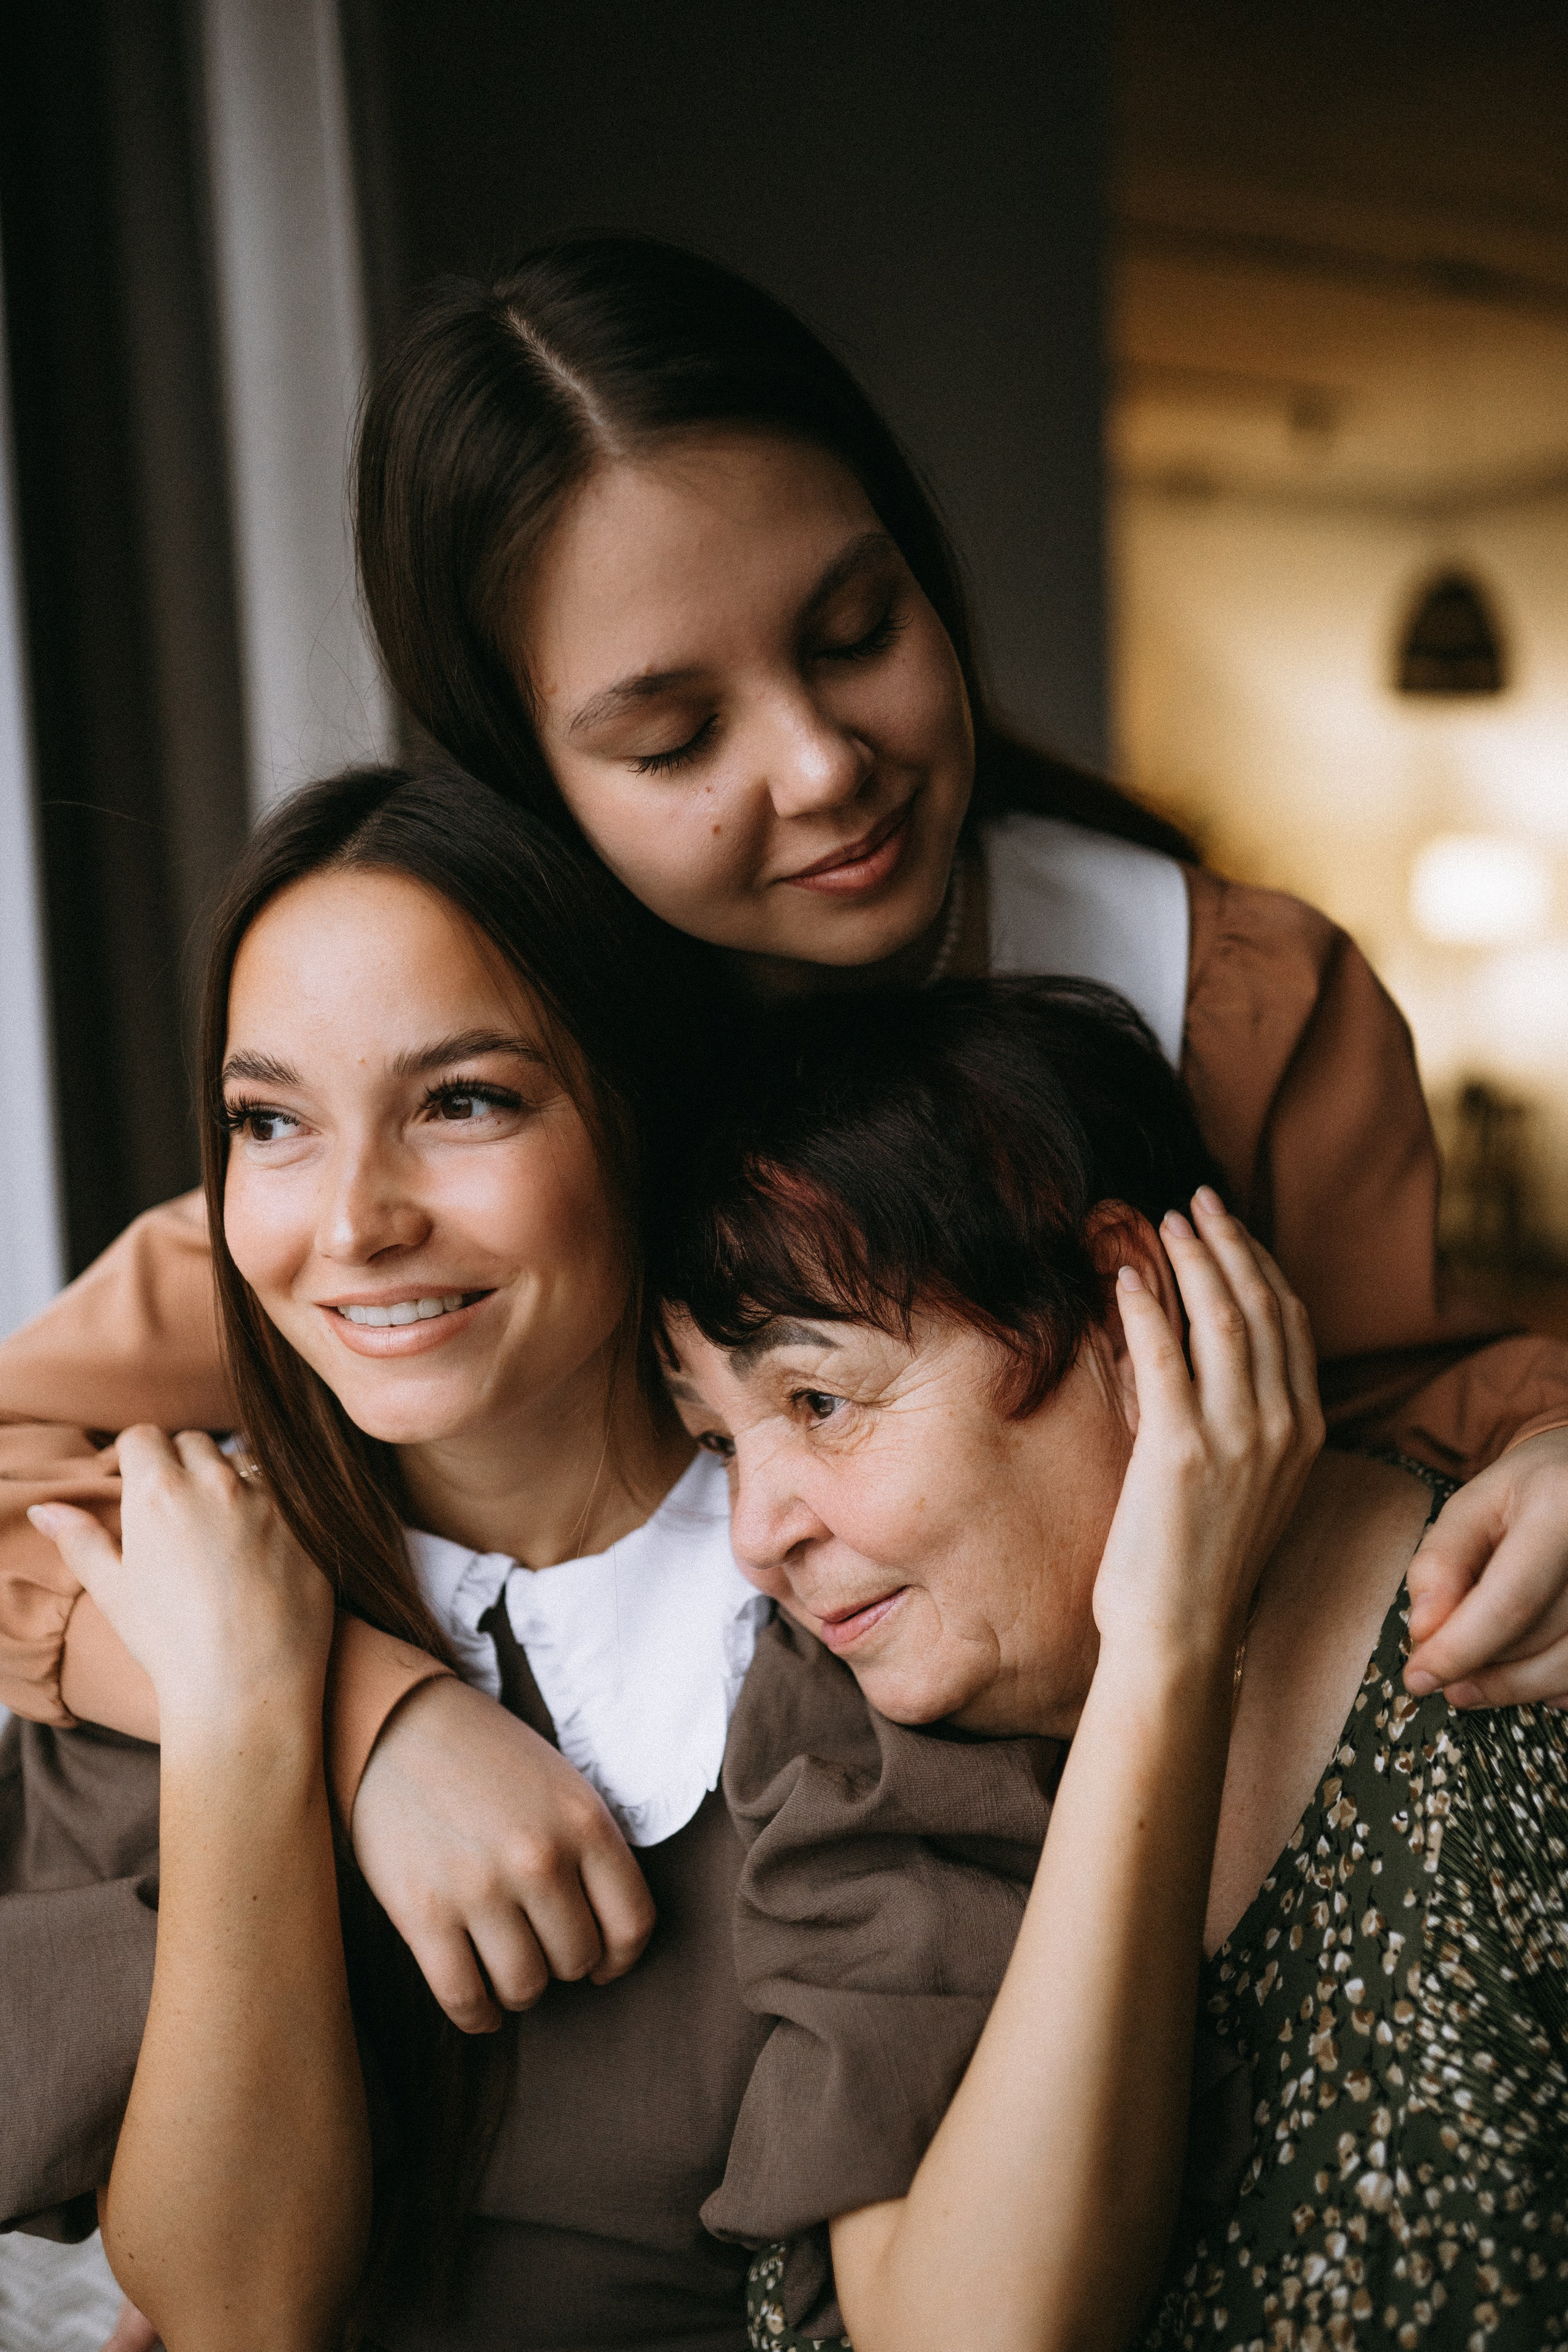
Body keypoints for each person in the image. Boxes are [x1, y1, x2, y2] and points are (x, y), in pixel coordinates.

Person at [4, 234, 1568, 2045]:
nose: (825, 765)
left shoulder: (1235, 999)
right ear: (529, 787)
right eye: (672, 737)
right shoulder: (498, 1128)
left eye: (857, 632)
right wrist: (369, 1729)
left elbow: (1412, 1393)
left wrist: (1541, 1449)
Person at [21, 769, 1320, 2350]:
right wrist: (264, 1719)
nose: (351, 1222)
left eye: (464, 1100)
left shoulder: (845, 1613)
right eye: (269, 1121)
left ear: (629, 1115)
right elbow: (236, 2310)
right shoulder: (187, 1580)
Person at [652, 977, 1568, 2351]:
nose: (755, 1538)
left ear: (1122, 1301)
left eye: (818, 1401)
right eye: (721, 1444)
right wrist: (1164, 1646)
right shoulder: (852, 1748)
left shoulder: (1516, 1639)